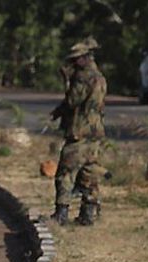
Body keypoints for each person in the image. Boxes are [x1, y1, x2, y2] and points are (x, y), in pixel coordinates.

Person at [49, 41, 107, 226]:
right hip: (94, 133)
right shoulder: (100, 77)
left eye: (75, 60)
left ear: (83, 59)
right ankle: (88, 214)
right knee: (89, 173)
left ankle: (61, 214)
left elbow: (73, 100)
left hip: (79, 132)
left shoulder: (83, 77)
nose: (73, 64)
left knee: (65, 173)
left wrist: (67, 80)